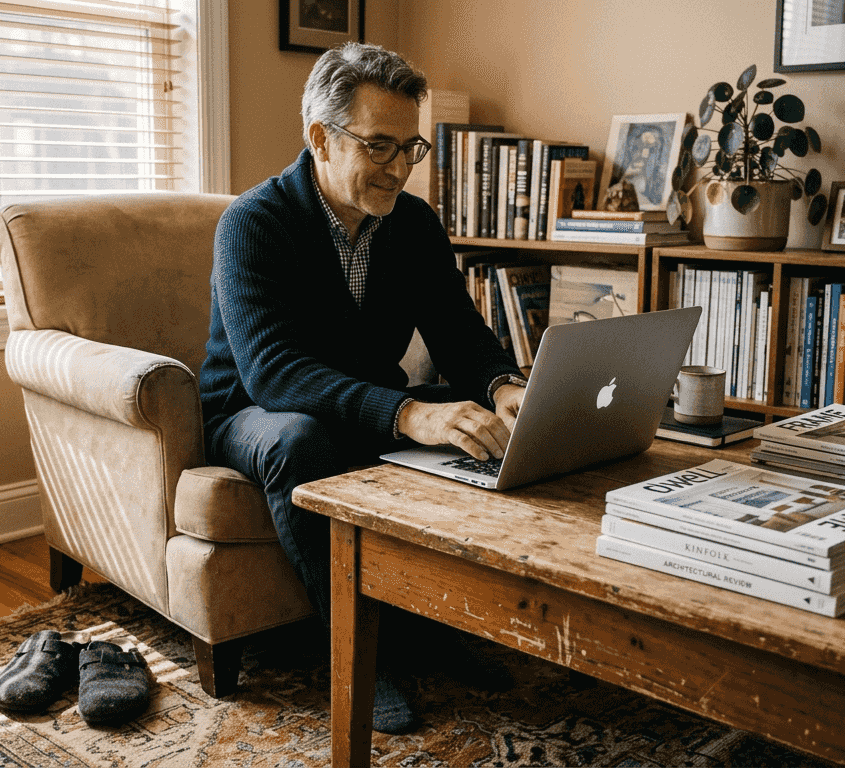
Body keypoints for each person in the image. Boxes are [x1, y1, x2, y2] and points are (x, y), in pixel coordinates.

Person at [199, 42, 527, 734]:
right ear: (321, 137)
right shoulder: (252, 224)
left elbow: (459, 331)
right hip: (255, 414)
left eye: (412, 148)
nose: (400, 168)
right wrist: (409, 413)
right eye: (381, 146)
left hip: (364, 403)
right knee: (303, 439)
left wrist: (503, 388)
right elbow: (275, 372)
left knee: (478, 423)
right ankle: (358, 655)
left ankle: (432, 624)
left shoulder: (412, 225)